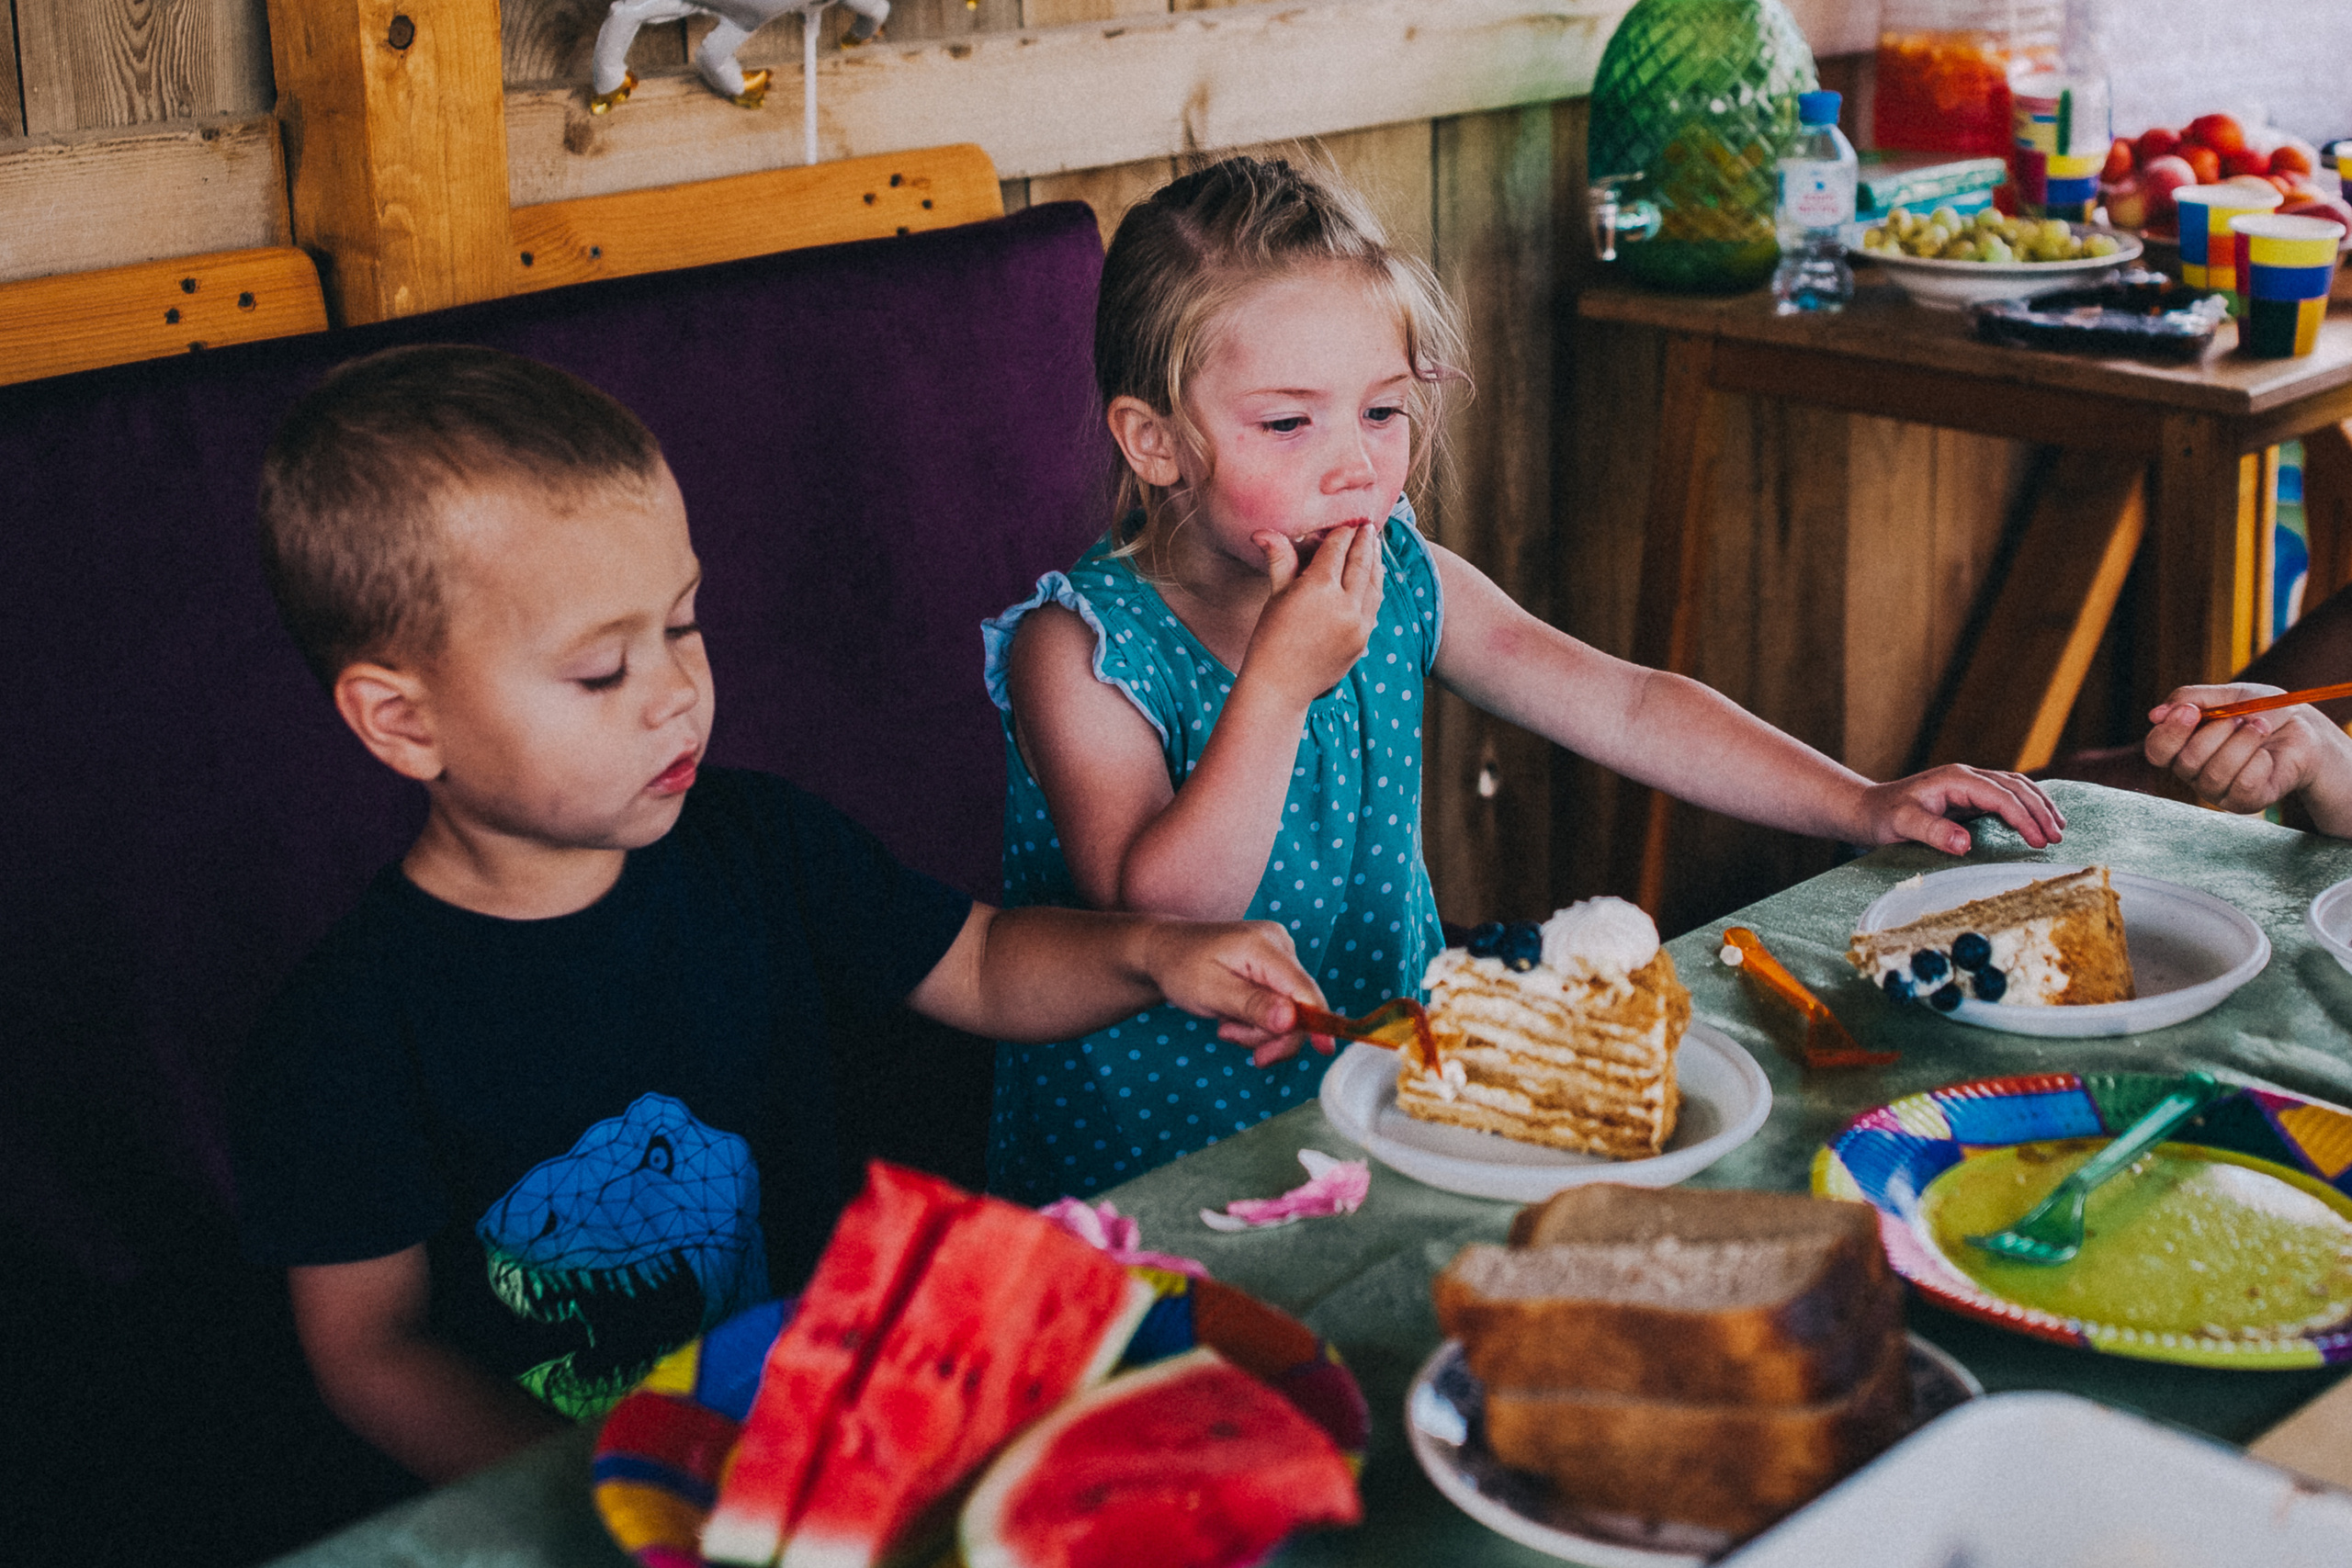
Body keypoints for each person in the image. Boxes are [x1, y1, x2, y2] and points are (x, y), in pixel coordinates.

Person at [231, 344, 1327, 1483]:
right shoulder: (339, 1038)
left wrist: (1156, 954)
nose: (675, 692)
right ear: (403, 724)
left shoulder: (759, 840)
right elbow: (370, 1353)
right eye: (602, 670)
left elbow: (987, 963)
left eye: (684, 623)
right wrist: (599, 1492)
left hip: (830, 1436)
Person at [982, 155, 2064, 1204]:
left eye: (1381, 411)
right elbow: (1167, 915)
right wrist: (1278, 685)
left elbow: (1627, 703)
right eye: (1286, 422)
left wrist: (1859, 800)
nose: (1354, 463)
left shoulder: (1398, 574)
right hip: (1153, 1155)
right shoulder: (1080, 650)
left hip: (1384, 1090)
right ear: (1155, 443)